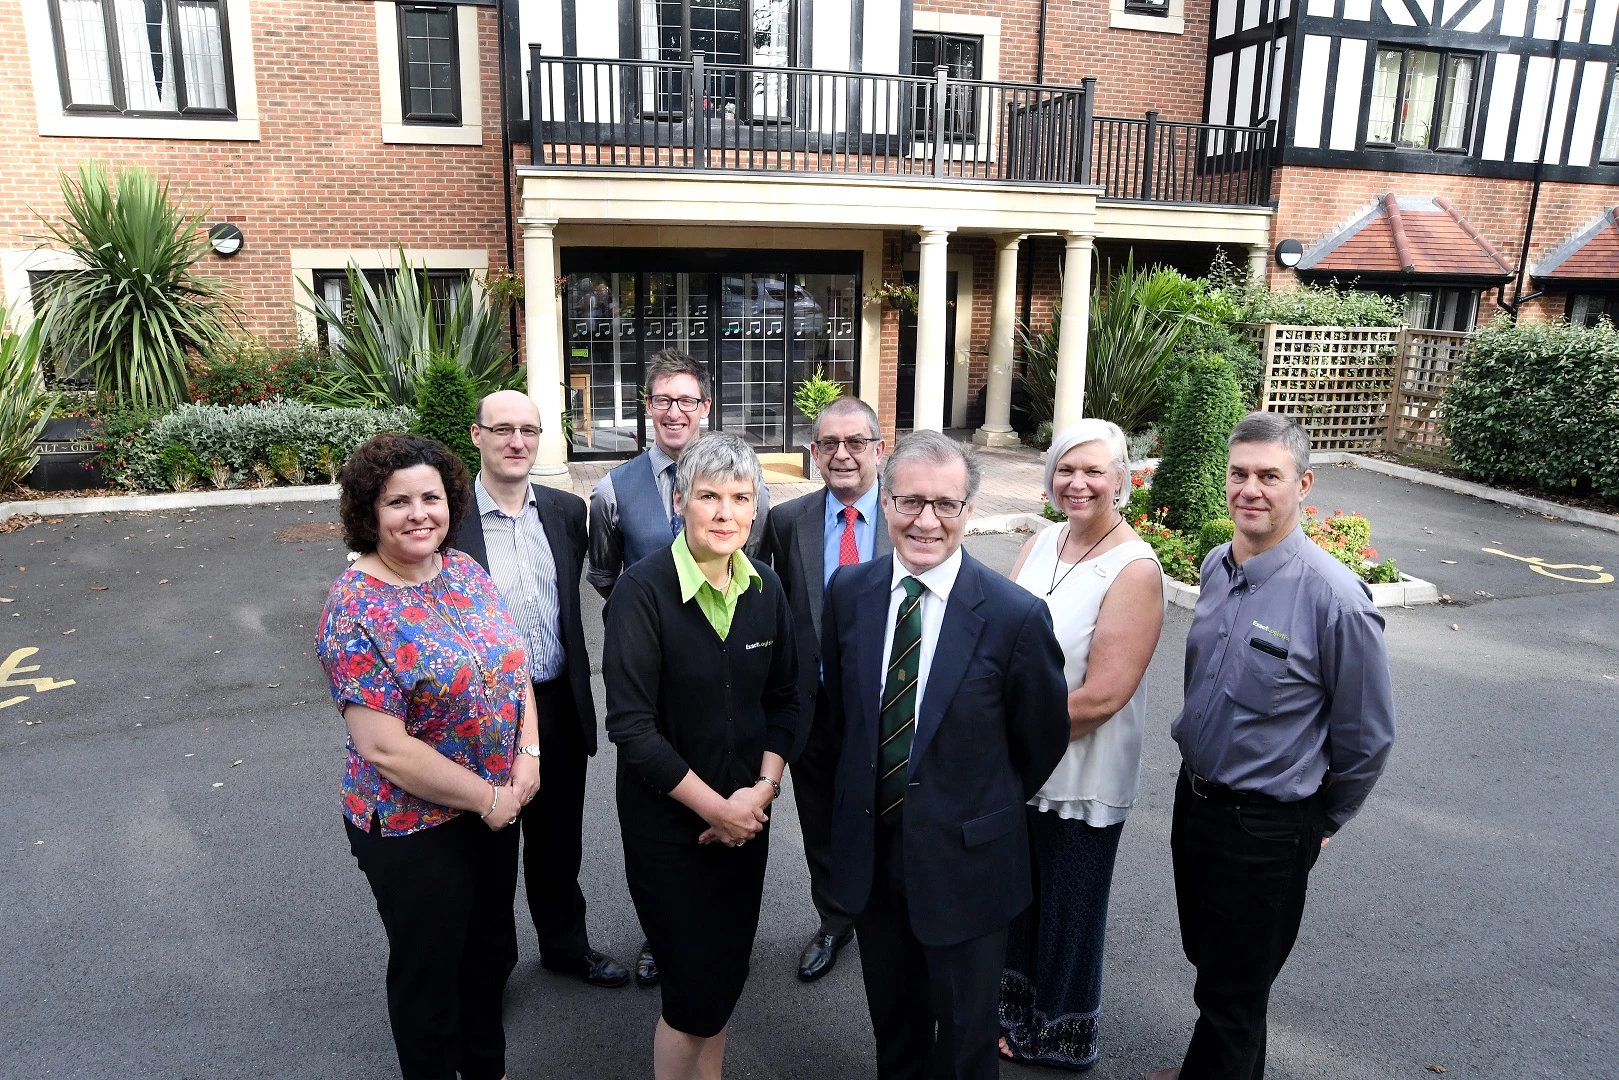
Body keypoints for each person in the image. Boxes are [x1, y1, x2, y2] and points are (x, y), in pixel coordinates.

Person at [1145, 412, 1396, 1080]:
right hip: (1194, 802)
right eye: (1238, 473)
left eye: (1268, 476)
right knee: (1213, 966)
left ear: (1303, 484)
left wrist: (1320, 819)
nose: (1249, 489)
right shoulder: (1216, 566)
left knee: (1234, 991)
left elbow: (1367, 736)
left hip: (1265, 825)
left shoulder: (1334, 599)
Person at [821, 430, 1070, 1080]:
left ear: (967, 510)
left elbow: (1038, 742)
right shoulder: (849, 591)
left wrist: (970, 803)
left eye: (945, 505)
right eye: (909, 502)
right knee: (894, 1032)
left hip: (967, 869)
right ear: (885, 499)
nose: (925, 521)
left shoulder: (1015, 617)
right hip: (875, 863)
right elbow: (840, 725)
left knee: (964, 1045)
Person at [316, 434, 540, 1080]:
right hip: (413, 828)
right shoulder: (354, 607)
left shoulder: (463, 570)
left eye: (431, 498)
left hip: (495, 806)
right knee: (431, 974)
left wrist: (528, 752)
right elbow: (383, 747)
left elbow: (512, 663)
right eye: (398, 502)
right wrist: (490, 798)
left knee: (490, 956)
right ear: (368, 512)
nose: (419, 514)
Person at [602, 431, 800, 1080]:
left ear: (754, 509)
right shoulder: (642, 592)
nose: (724, 512)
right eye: (708, 496)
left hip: (746, 823)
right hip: (669, 831)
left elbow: (786, 701)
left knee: (726, 977)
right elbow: (632, 730)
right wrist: (718, 808)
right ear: (679, 501)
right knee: (689, 995)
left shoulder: (767, 588)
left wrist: (759, 795)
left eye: (739, 498)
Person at [587, 348, 771, 984]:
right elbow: (604, 571)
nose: (674, 410)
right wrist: (656, 627)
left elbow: (750, 557)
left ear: (705, 407)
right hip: (651, 670)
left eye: (686, 400)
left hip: (724, 653)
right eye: (663, 399)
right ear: (648, 406)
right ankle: (660, 934)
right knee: (663, 816)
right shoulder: (613, 489)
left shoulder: (747, 491)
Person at [997, 419, 1166, 1070]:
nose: (1078, 482)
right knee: (1019, 899)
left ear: (1120, 480)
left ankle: (1062, 1039)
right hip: (1023, 764)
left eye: (1094, 470)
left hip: (1081, 770)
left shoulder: (1134, 568)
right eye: (1066, 469)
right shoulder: (1041, 542)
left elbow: (1103, 696)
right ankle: (1012, 1015)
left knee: (1068, 910)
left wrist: (1011, 734)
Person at [449, 389, 630, 989]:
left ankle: (565, 946)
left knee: (558, 845)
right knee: (490, 851)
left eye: (528, 430)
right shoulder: (449, 518)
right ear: (477, 436)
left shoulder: (563, 510)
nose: (516, 442)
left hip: (556, 703)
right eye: (502, 429)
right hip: (484, 716)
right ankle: (491, 969)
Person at [762, 395, 890, 983]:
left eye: (855, 442)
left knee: (889, 817)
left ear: (878, 450)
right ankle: (836, 919)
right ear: (813, 453)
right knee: (821, 819)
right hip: (813, 707)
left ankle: (890, 914)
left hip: (891, 709)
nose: (842, 454)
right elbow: (768, 601)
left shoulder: (908, 518)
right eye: (829, 444)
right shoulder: (788, 521)